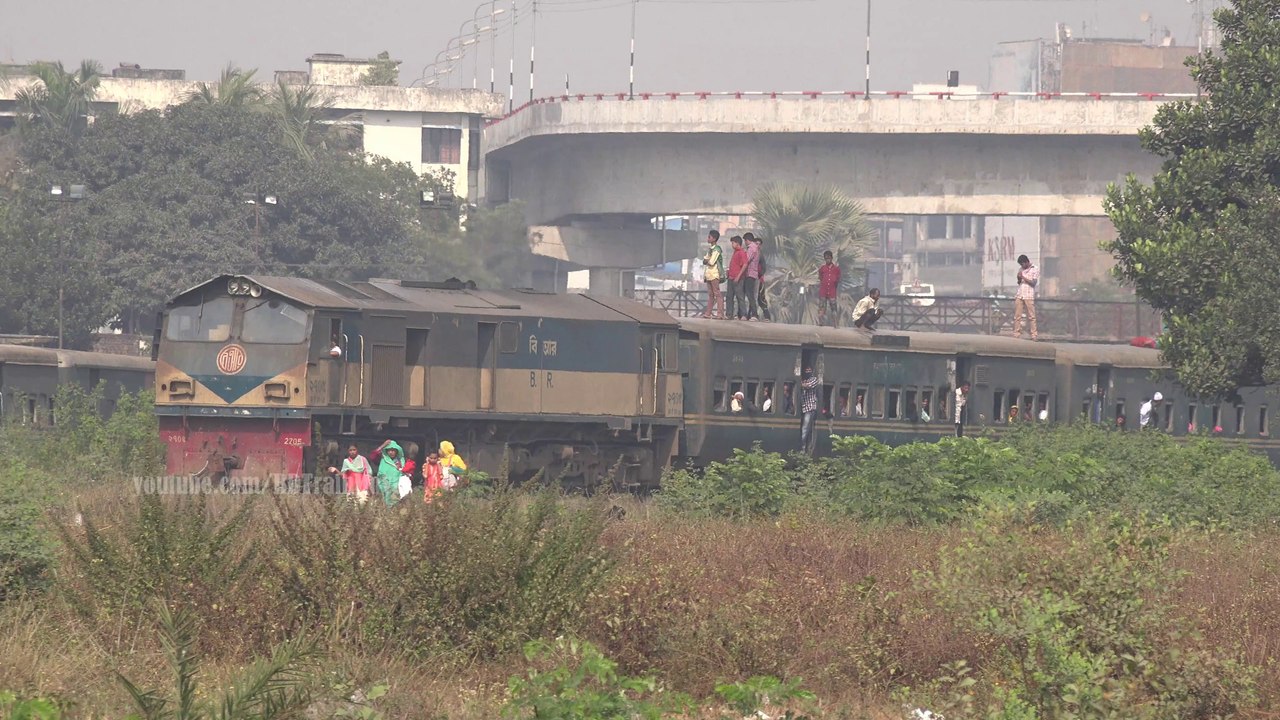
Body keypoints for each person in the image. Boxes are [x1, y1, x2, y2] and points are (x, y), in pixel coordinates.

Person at [370, 439, 407, 507]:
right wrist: (383, 446)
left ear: (397, 451)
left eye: (393, 450)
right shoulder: (383, 458)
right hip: (384, 486)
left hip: (396, 487)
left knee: (396, 503)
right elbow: (373, 456)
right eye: (389, 450)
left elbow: (404, 473)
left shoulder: (400, 461)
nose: (391, 452)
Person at [1013, 254, 1039, 341]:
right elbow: (1019, 282)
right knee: (1017, 316)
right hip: (1020, 293)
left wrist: (1023, 277)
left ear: (1026, 262)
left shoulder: (1034, 268)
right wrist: (1019, 278)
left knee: (1031, 316)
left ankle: (1034, 334)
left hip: (1029, 294)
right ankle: (1016, 333)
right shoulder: (1021, 269)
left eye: (1022, 264)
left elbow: (1033, 283)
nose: (1021, 266)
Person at [701, 230, 725, 319]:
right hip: (708, 275)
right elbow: (704, 260)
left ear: (714, 239)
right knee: (711, 295)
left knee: (717, 294)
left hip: (714, 274)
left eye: (709, 237)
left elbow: (711, 262)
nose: (708, 238)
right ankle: (708, 313)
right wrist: (707, 260)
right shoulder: (710, 249)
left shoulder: (717, 249)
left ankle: (720, 313)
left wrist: (707, 260)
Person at [726, 236, 748, 320]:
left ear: (737, 243)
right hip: (731, 277)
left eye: (733, 243)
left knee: (740, 297)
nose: (732, 244)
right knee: (729, 296)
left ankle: (743, 314)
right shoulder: (735, 252)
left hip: (738, 278)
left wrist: (738, 276)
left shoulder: (742, 252)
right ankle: (729, 314)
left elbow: (745, 265)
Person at [799, 367, 820, 452]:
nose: (807, 372)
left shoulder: (814, 379)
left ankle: (803, 449)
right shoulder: (804, 380)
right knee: (804, 428)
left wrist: (801, 384)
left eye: (809, 370)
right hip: (804, 407)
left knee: (805, 428)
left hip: (810, 407)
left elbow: (807, 386)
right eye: (806, 370)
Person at [817, 251, 840, 327]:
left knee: (833, 308)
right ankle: (821, 322)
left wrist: (833, 284)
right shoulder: (822, 268)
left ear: (831, 258)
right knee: (822, 307)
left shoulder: (836, 269)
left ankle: (835, 323)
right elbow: (820, 277)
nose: (827, 260)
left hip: (832, 291)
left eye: (829, 258)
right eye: (826, 258)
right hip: (823, 291)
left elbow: (837, 279)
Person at [743, 233, 761, 321]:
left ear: (747, 240)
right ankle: (750, 314)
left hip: (750, 274)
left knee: (750, 295)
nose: (745, 243)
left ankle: (754, 314)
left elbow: (746, 260)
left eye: (745, 241)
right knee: (750, 294)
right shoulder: (756, 248)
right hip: (753, 274)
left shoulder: (751, 248)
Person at [755, 239, 772, 322]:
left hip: (759, 280)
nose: (757, 245)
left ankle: (767, 316)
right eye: (756, 243)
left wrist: (759, 275)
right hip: (752, 279)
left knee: (761, 298)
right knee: (752, 298)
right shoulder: (751, 253)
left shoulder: (760, 255)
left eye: (759, 244)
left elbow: (764, 268)